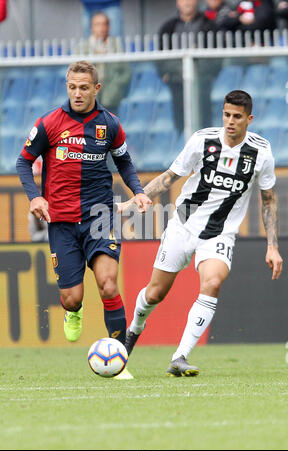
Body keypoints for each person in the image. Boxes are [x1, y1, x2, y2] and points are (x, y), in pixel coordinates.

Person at [118, 90, 283, 377]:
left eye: (237, 117)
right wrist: (137, 199)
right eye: (227, 115)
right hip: (183, 225)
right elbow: (171, 176)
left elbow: (268, 198)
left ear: (249, 119)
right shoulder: (202, 140)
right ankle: (133, 331)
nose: (230, 122)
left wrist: (272, 246)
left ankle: (180, 356)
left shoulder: (261, 153)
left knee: (213, 281)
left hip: (221, 234)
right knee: (155, 293)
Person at [16, 60, 151, 379]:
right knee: (72, 297)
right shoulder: (50, 123)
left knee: (107, 284)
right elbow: (24, 163)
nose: (77, 93)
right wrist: (35, 196)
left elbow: (125, 163)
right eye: (72, 87)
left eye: (84, 88)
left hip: (99, 217)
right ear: (67, 87)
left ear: (96, 89)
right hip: (61, 222)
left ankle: (119, 364)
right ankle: (72, 312)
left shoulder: (110, 124)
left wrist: (139, 191)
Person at [157, 0, 210, 135]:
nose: (187, 3)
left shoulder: (208, 25)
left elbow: (215, 57)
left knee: (203, 119)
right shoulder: (168, 28)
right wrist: (166, 73)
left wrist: (207, 73)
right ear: (177, 3)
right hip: (177, 82)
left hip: (202, 82)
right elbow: (160, 56)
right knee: (180, 120)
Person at [76, 12, 131, 115]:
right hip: (90, 99)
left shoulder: (116, 46)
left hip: (111, 98)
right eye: (98, 24)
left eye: (104, 24)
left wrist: (116, 87)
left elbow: (126, 73)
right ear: (92, 28)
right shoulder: (82, 48)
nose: (102, 28)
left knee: (110, 128)